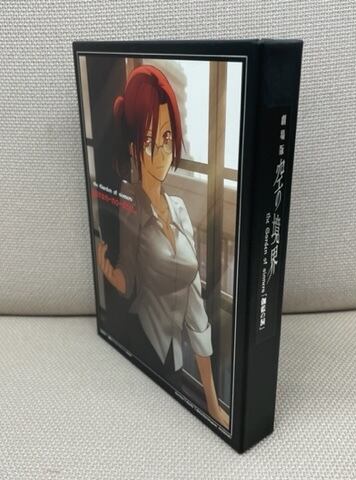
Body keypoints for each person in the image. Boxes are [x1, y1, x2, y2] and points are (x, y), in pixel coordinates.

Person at [95, 64, 229, 429]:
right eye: (149, 141)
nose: (162, 153)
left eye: (167, 138)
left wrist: (213, 403)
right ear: (133, 146)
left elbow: (196, 310)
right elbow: (128, 281)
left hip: (174, 355)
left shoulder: (180, 211)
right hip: (142, 341)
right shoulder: (130, 203)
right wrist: (107, 271)